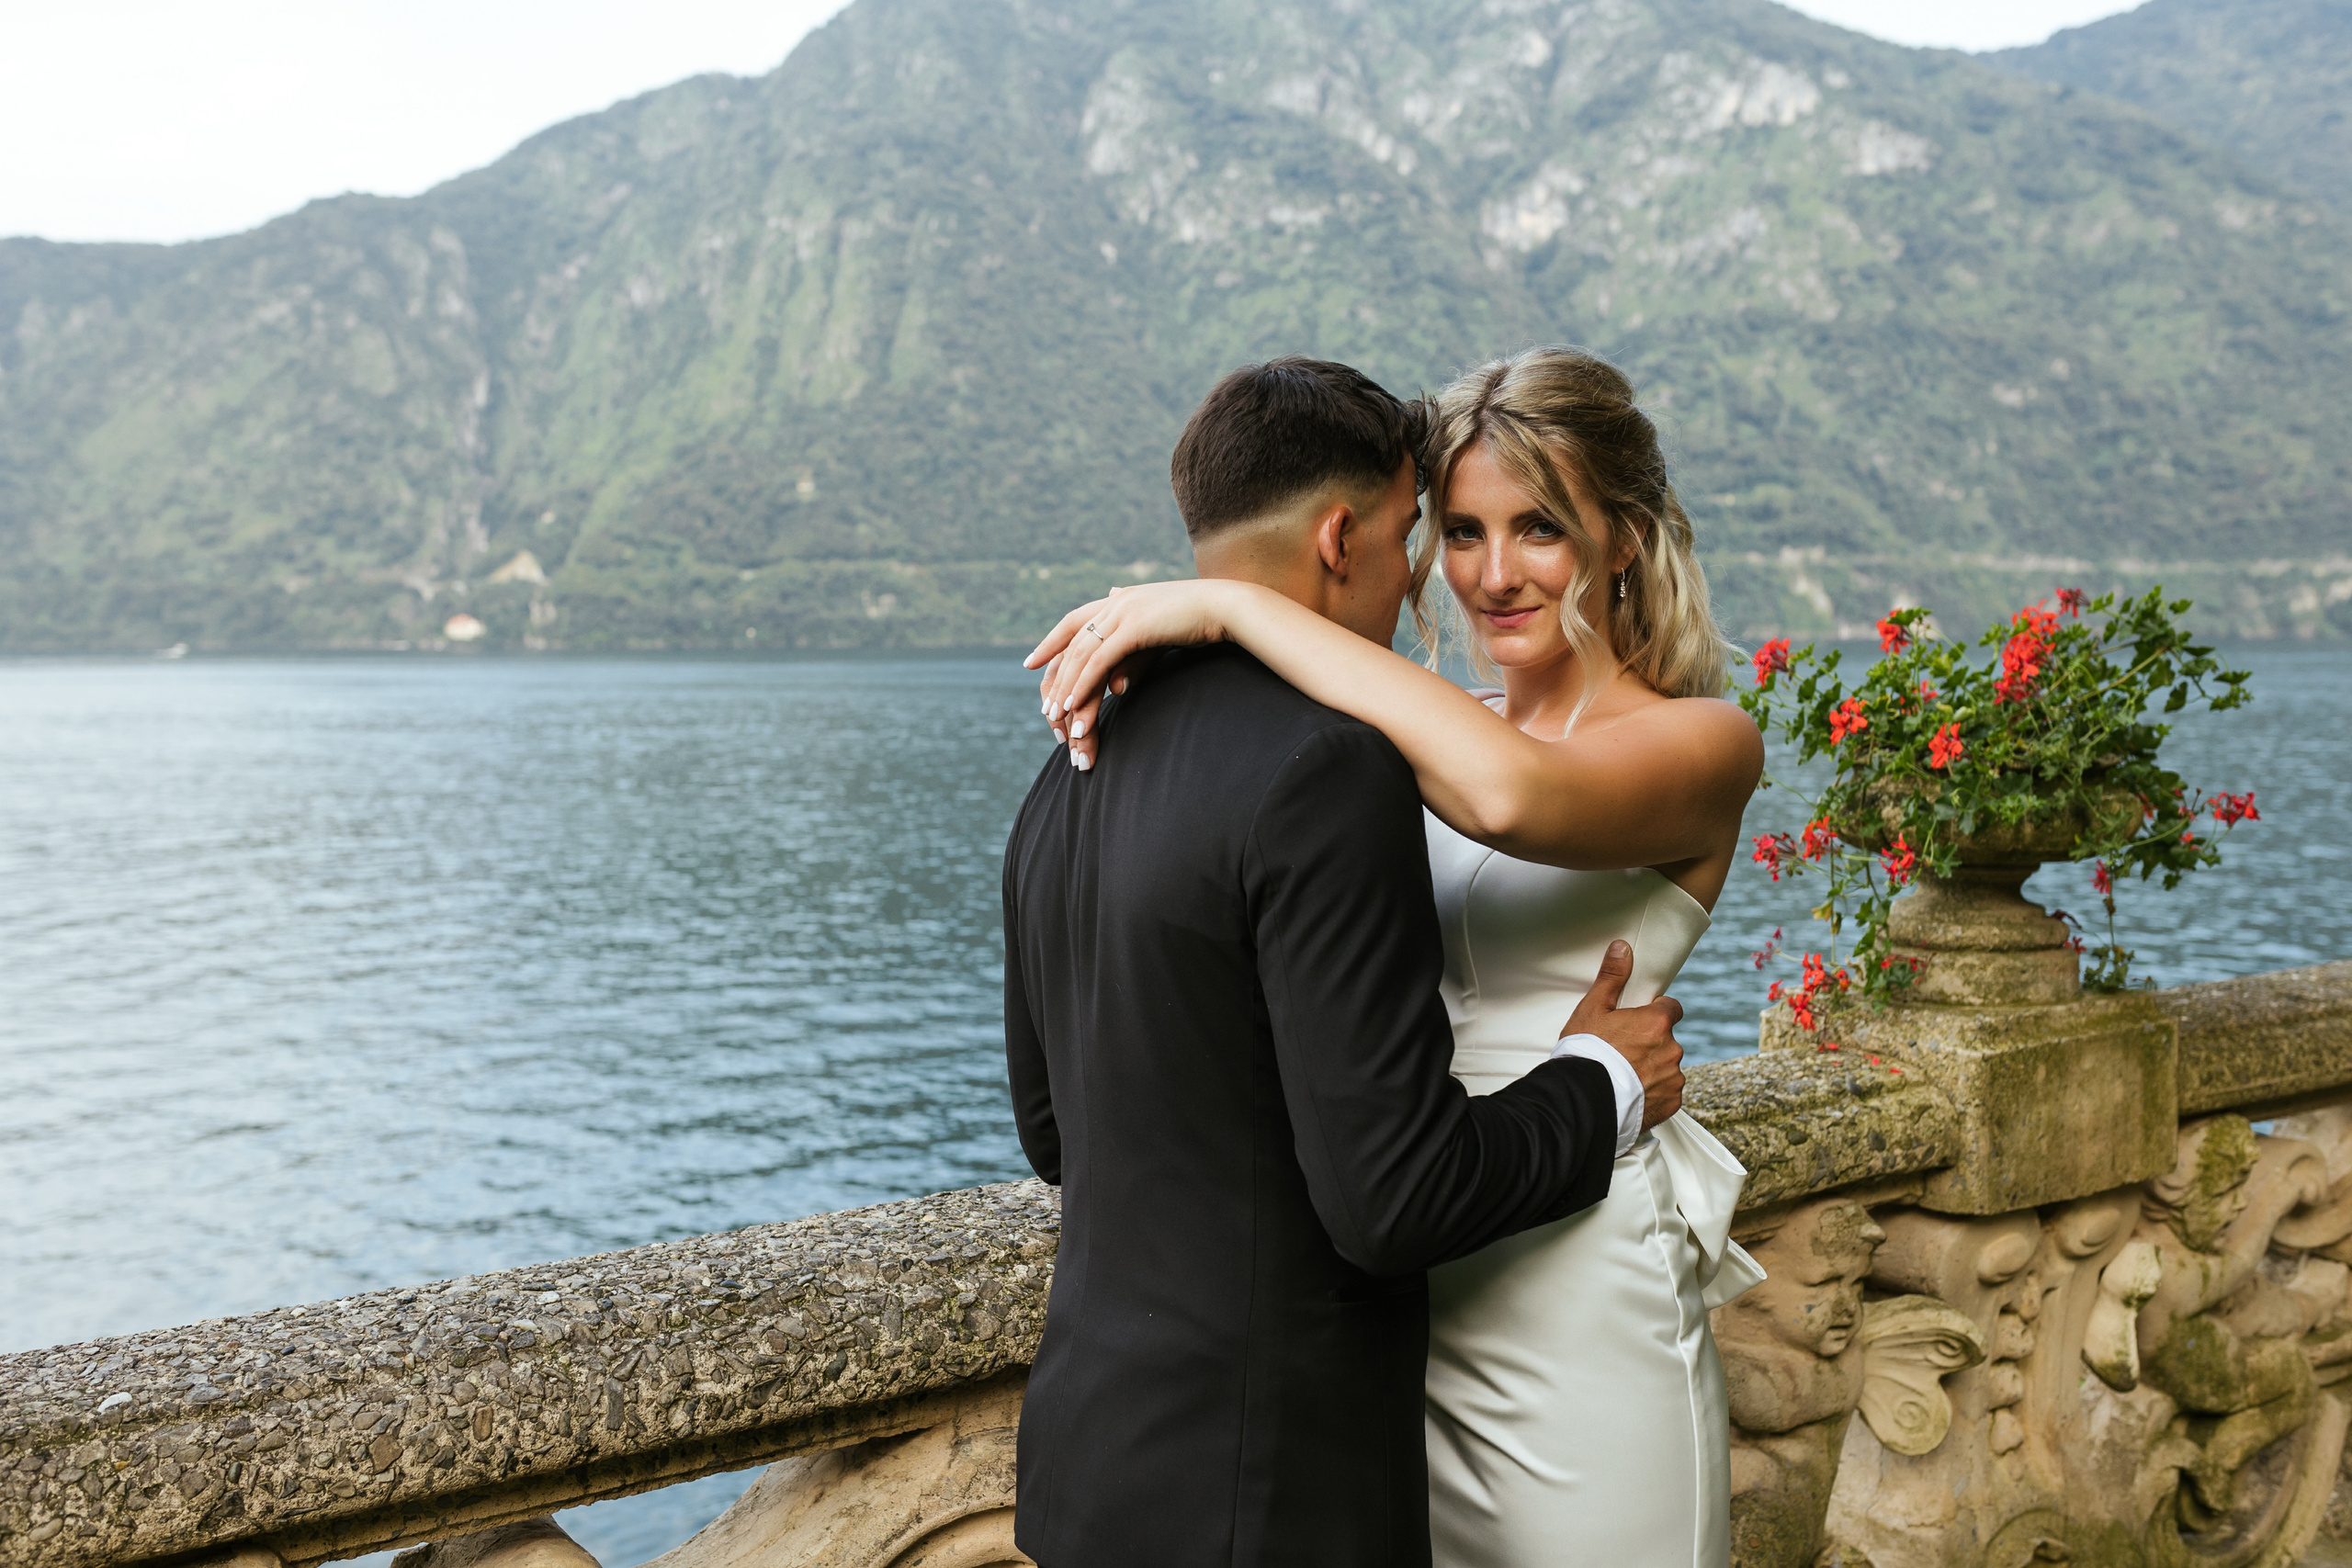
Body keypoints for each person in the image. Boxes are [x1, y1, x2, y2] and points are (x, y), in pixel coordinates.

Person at [1028, 346, 1767, 1567]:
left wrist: (1228, 604)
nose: (1488, 573)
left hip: (1570, 1272)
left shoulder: (1702, 742)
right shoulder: (1412, 730)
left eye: (1538, 527)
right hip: (1395, 1295)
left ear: (1622, 537)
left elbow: (1512, 800)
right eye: (1460, 532)